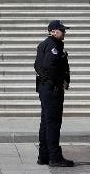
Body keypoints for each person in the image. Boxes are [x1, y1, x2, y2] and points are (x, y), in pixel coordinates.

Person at [35, 20, 74, 168]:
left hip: (46, 88)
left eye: (64, 30)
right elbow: (50, 66)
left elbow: (37, 65)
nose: (64, 33)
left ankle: (43, 155)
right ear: (52, 31)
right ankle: (54, 157)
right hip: (52, 90)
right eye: (62, 30)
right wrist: (60, 81)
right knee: (53, 124)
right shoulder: (53, 46)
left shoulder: (45, 44)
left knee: (46, 122)